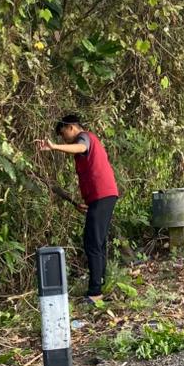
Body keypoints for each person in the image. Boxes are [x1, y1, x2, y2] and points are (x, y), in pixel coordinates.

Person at [35, 114, 119, 305]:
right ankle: (101, 284)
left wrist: (54, 147)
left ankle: (95, 292)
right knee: (98, 242)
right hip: (102, 197)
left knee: (92, 243)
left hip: (103, 195)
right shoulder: (87, 142)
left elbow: (81, 147)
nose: (62, 137)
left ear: (71, 127)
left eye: (62, 132)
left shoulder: (85, 137)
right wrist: (86, 202)